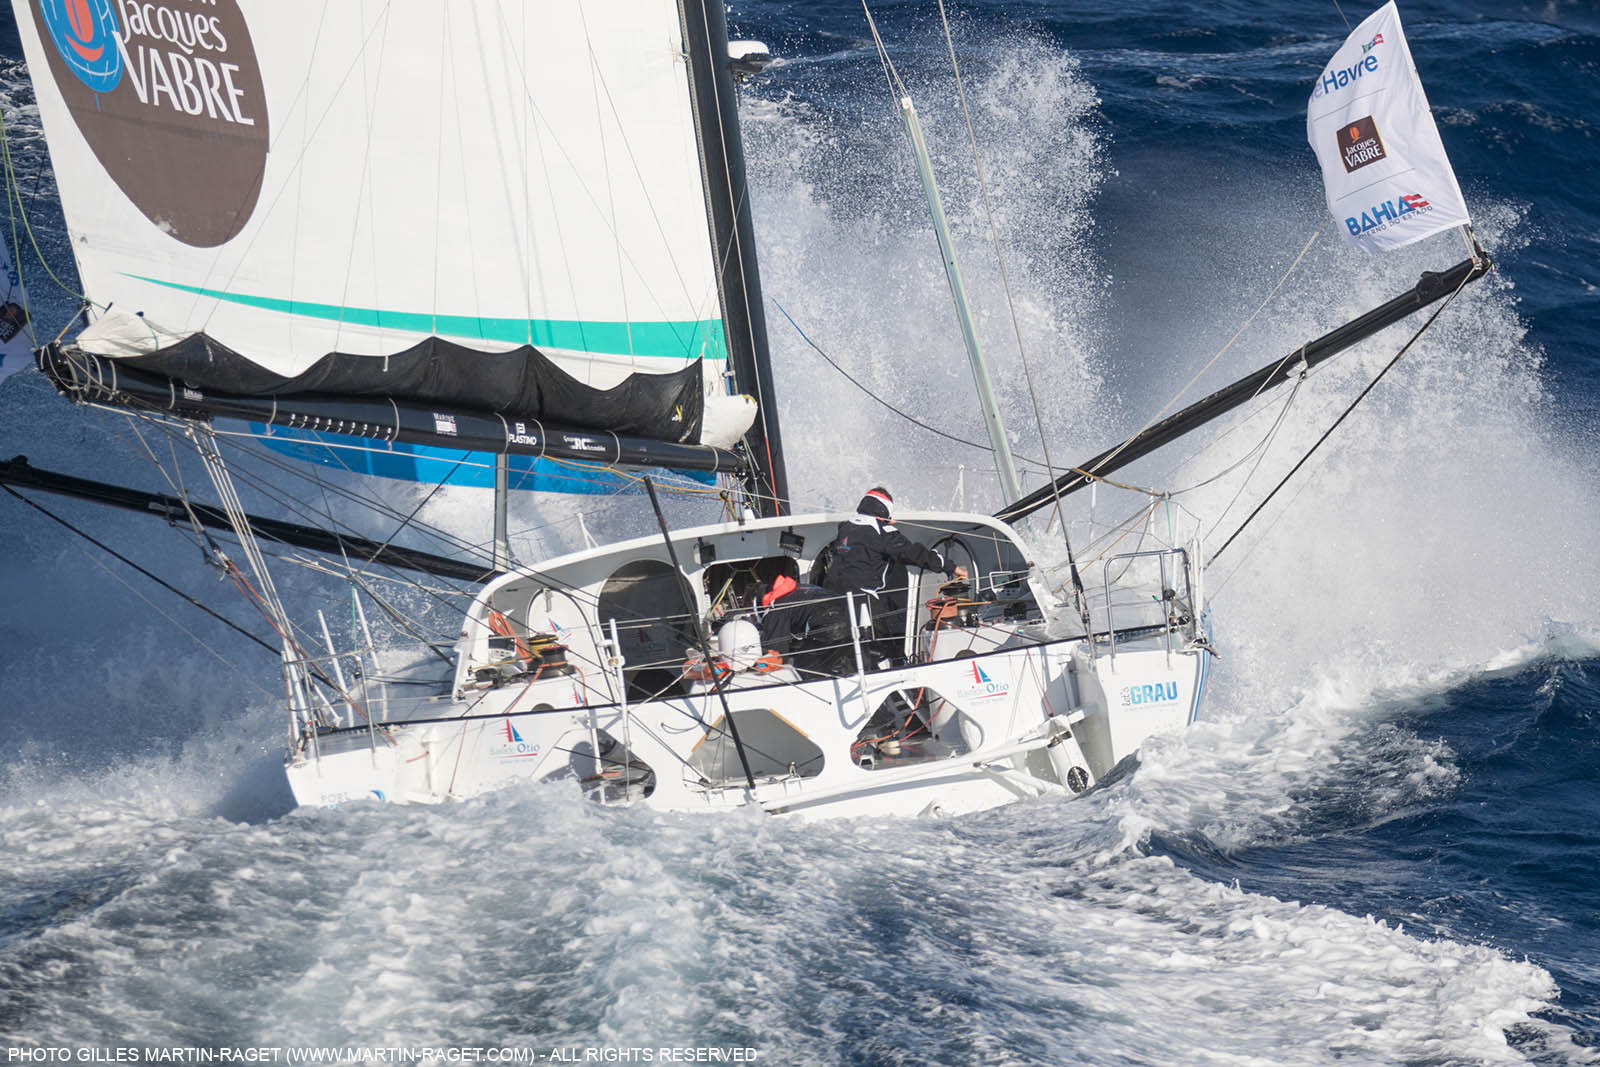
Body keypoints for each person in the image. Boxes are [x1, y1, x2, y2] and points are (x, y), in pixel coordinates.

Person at [819, 487, 967, 659]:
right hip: (863, 601)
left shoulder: (846, 526)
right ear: (885, 510)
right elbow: (916, 554)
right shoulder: (883, 532)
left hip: (831, 598)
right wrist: (952, 567)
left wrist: (884, 522)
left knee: (844, 651)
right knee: (884, 648)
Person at [751, 570, 854, 676]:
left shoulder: (774, 610)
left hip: (828, 625)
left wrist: (755, 665)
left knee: (804, 667)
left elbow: (778, 654)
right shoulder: (795, 590)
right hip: (851, 617)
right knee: (833, 659)